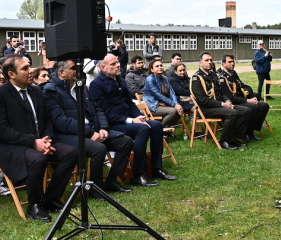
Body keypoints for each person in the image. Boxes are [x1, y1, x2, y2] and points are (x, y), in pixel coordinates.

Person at [0, 55, 79, 222]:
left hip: (39, 141)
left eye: (29, 66)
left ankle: (51, 198)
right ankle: (34, 204)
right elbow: (1, 131)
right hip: (12, 146)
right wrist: (33, 142)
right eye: (25, 68)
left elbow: (47, 119)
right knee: (38, 159)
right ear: (11, 74)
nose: (31, 71)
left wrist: (46, 139)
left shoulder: (36, 91)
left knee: (71, 152)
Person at [43, 60, 134, 195]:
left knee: (125, 142)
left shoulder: (81, 87)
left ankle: (111, 181)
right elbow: (61, 121)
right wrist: (89, 133)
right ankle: (95, 189)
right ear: (62, 72)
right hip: (67, 135)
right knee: (98, 149)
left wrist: (103, 127)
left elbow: (97, 109)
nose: (78, 70)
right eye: (73, 68)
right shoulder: (51, 91)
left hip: (92, 130)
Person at [89, 54, 176, 187]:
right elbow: (104, 113)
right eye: (113, 64)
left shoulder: (121, 81)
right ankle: (138, 174)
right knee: (142, 128)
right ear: (103, 68)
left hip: (128, 121)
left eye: (117, 62)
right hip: (113, 125)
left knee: (156, 126)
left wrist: (139, 116)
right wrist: (131, 120)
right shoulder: (96, 85)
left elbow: (130, 104)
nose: (118, 65)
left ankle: (156, 169)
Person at [191, 51, 252, 150]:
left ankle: (233, 137)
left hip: (219, 105)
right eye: (206, 60)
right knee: (232, 113)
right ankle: (224, 141)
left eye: (211, 60)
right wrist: (223, 104)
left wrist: (227, 101)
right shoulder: (196, 78)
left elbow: (221, 93)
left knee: (246, 111)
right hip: (206, 109)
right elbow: (203, 101)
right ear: (200, 63)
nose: (210, 62)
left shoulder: (213, 75)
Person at [218, 54, 269, 141]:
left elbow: (243, 86)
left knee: (264, 106)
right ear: (223, 64)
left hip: (240, 99)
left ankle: (251, 130)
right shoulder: (222, 78)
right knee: (254, 107)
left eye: (233, 61)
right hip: (233, 103)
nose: (232, 63)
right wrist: (248, 100)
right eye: (229, 62)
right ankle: (246, 134)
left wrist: (252, 97)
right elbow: (230, 97)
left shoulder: (233, 73)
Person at [144, 59, 185, 128]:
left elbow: (171, 93)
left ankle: (166, 129)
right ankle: (160, 129)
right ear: (152, 69)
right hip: (152, 105)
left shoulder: (165, 78)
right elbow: (158, 95)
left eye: (161, 65)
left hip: (163, 104)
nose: (160, 67)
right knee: (174, 111)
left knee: (180, 110)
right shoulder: (150, 79)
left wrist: (176, 104)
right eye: (157, 66)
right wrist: (174, 105)